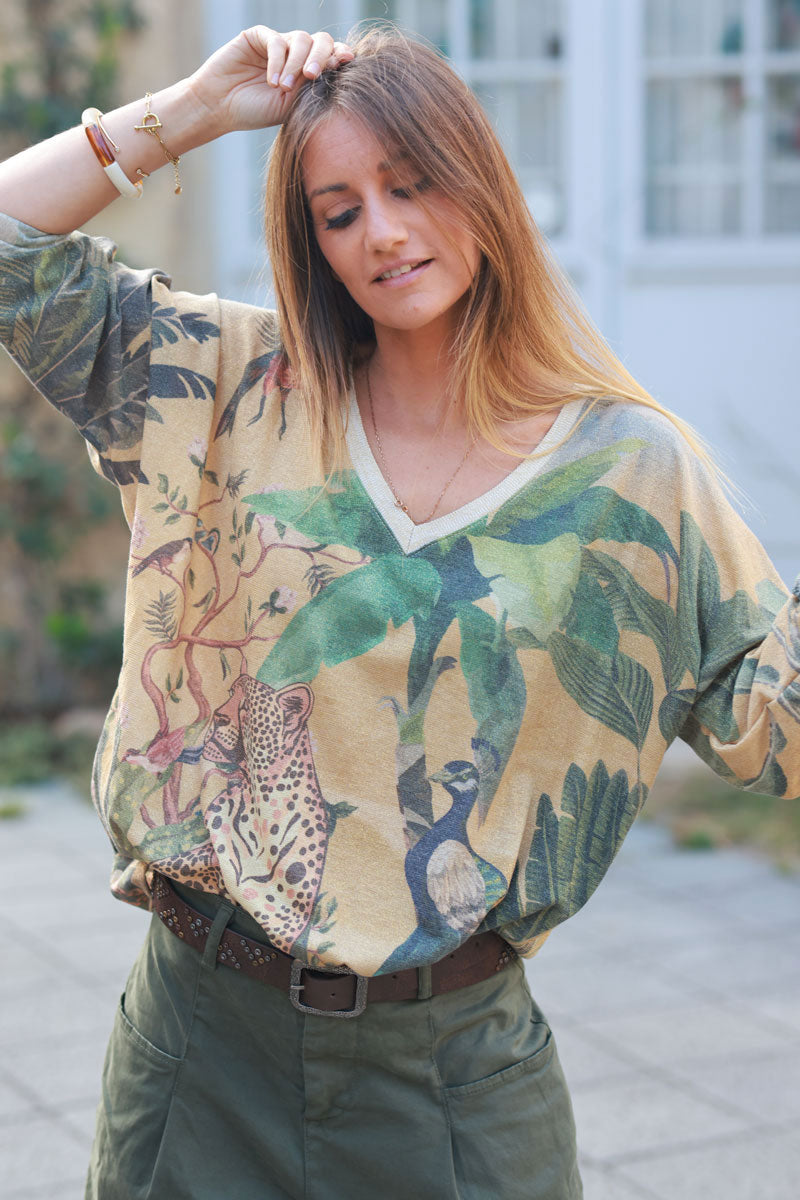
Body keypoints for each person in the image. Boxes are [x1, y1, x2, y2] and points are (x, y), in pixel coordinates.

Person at [0, 22, 798, 1200]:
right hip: (198, 1044)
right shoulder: (222, 387)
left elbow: (768, 723)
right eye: (337, 209)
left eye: (410, 185)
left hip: (453, 1076)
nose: (380, 231)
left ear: (478, 184)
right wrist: (200, 107)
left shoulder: (628, 473)